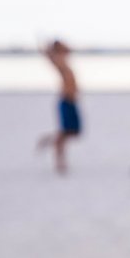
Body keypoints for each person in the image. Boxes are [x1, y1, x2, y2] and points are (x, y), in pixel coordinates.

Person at [36, 40, 81, 174]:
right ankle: (60, 163)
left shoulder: (64, 61)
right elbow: (50, 56)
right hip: (66, 101)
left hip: (71, 102)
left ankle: (48, 140)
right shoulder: (59, 62)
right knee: (64, 133)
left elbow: (70, 49)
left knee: (73, 132)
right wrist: (49, 48)